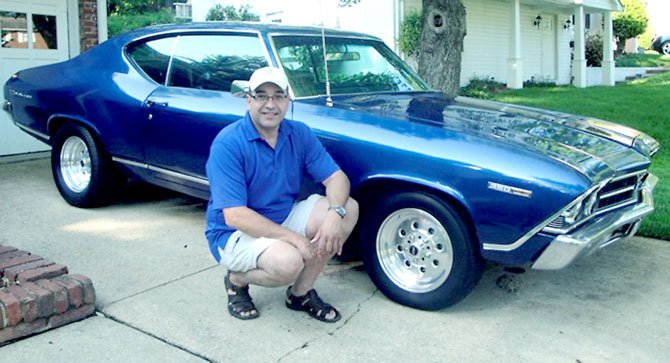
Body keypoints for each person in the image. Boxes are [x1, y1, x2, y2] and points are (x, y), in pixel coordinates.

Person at [205, 67, 359, 323]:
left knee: (348, 208)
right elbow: (235, 216)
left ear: (288, 99)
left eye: (278, 95)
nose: (270, 104)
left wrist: (335, 214)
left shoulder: (298, 133)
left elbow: (336, 178)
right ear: (248, 100)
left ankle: (300, 294)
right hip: (234, 234)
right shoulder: (228, 143)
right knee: (289, 262)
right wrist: (296, 240)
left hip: (281, 217)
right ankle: (236, 280)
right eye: (261, 96)